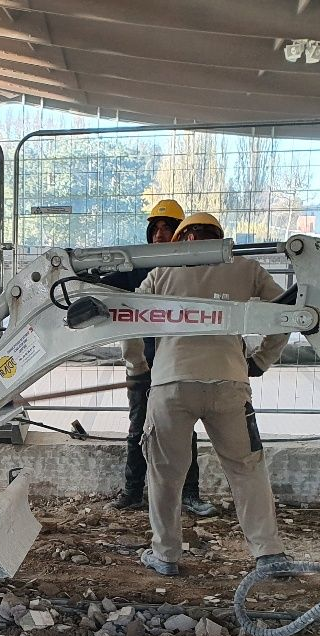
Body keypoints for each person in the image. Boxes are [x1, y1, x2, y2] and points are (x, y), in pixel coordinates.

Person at [124, 212, 291, 577]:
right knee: (246, 469)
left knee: (165, 475)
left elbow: (128, 318)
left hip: (171, 386)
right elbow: (288, 313)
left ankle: (166, 555)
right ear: (219, 238)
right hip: (229, 384)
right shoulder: (246, 269)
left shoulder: (161, 274)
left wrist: (137, 369)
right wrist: (262, 359)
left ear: (181, 239)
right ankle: (268, 553)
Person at [106, 200, 216, 518]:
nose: (159, 235)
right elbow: (104, 284)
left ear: (182, 235)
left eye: (167, 229)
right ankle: (132, 492)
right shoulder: (136, 266)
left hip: (179, 364)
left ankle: (190, 495)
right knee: (138, 427)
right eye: (155, 229)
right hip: (143, 365)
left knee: (183, 432)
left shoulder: (192, 272)